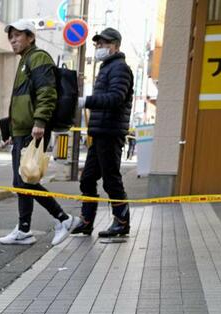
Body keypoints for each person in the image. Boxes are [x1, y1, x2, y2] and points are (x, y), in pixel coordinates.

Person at [0, 18, 78, 247]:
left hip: (33, 130)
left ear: (31, 37)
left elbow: (47, 92)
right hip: (23, 130)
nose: (13, 40)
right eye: (11, 37)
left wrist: (40, 121)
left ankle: (63, 218)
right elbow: (23, 102)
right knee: (22, 180)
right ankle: (24, 229)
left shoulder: (38, 57)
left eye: (18, 35)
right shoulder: (25, 60)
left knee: (25, 180)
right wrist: (10, 131)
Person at [71, 27, 134, 239]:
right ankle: (87, 221)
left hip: (110, 131)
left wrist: (86, 101)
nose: (99, 47)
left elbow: (116, 97)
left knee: (111, 179)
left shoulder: (120, 68)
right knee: (87, 178)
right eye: (97, 44)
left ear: (115, 46)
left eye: (104, 43)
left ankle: (122, 222)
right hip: (100, 131)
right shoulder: (107, 68)